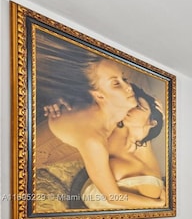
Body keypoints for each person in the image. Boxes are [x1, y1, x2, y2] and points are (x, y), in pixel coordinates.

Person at [36, 57, 165, 209]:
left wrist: (157, 117)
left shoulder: (122, 120)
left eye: (124, 79)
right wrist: (158, 204)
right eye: (117, 83)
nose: (128, 87)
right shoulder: (94, 138)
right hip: (41, 150)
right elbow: (111, 196)